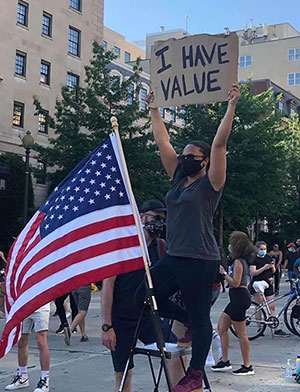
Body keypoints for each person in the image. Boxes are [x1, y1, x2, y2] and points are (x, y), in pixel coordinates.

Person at [135, 84, 241, 392]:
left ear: (204, 160)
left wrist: (231, 105)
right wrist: (153, 109)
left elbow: (220, 145)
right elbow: (162, 139)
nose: (184, 159)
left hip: (201, 258)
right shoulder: (179, 178)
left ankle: (195, 372)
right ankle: (188, 322)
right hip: (175, 256)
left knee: (200, 315)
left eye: (191, 156)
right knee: (145, 293)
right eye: (183, 156)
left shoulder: (211, 183)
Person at [101, 199, 185, 392]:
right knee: (124, 374)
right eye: (156, 217)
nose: (159, 223)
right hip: (121, 320)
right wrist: (107, 326)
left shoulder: (160, 247)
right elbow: (108, 286)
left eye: (163, 219)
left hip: (148, 316)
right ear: (142, 217)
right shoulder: (122, 245)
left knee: (175, 353)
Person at [211, 231, 255, 375]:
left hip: (238, 297)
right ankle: (224, 360)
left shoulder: (238, 262)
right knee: (221, 327)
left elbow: (236, 282)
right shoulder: (243, 261)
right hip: (237, 297)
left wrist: (224, 274)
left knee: (241, 333)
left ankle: (247, 365)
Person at [5, 304, 51, 392]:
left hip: (41, 306)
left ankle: (45, 379)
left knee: (41, 341)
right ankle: (23, 376)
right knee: (21, 340)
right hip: (24, 305)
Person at [249, 241, 289, 337]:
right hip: (258, 284)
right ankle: (260, 327)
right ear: (257, 249)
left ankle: (276, 327)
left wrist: (272, 267)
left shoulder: (268, 257)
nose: (263, 251)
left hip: (268, 283)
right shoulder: (254, 259)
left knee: (271, 306)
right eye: (261, 249)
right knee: (259, 305)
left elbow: (273, 271)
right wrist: (264, 267)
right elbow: (253, 272)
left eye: (264, 249)